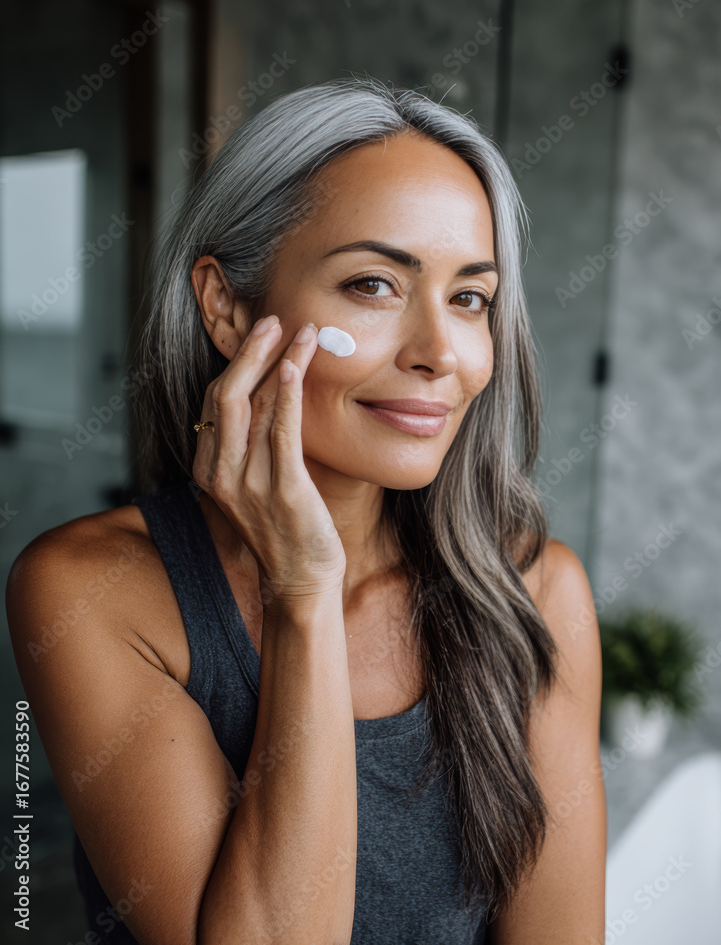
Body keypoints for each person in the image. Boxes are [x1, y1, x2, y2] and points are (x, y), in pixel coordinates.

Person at [6, 76, 606, 944]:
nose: (441, 352)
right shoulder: (91, 592)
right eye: (373, 285)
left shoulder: (535, 592)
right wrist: (302, 590)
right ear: (226, 305)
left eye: (470, 297)